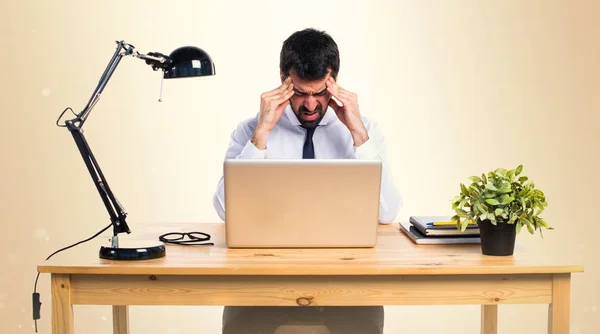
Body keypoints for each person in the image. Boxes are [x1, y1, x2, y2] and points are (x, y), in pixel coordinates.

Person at [212, 28, 402, 334]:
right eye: (300, 92)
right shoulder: (251, 129)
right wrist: (261, 135)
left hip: (346, 278)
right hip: (264, 277)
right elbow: (225, 212)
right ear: (283, 81)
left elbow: (387, 212)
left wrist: (359, 137)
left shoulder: (365, 130)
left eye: (319, 92)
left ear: (334, 83)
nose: (310, 105)